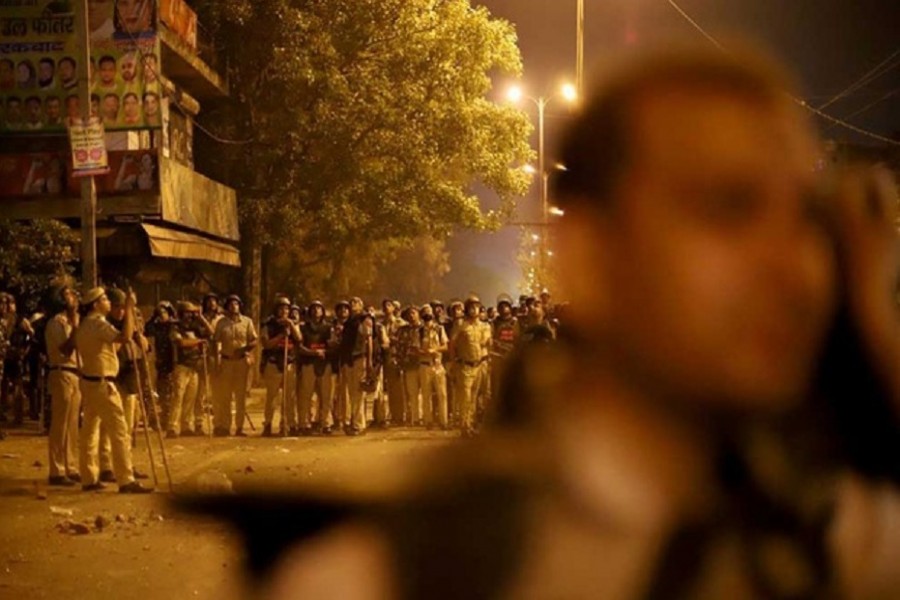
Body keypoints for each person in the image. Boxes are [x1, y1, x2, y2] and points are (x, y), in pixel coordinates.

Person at [75, 287, 151, 493]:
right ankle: (126, 479)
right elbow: (125, 337)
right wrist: (129, 306)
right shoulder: (99, 324)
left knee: (90, 432)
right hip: (102, 383)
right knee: (119, 431)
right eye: (105, 299)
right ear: (96, 304)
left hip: (89, 382)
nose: (108, 302)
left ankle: (89, 478)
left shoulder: (84, 326)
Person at [45, 286, 81, 486]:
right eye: (69, 294)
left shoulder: (70, 320)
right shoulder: (56, 322)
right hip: (61, 371)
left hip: (74, 373)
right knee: (60, 424)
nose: (74, 297)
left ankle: (71, 466)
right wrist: (75, 328)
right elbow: (66, 350)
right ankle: (56, 470)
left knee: (73, 425)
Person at [212, 295, 257, 437]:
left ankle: (239, 427)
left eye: (236, 303)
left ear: (239, 305)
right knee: (225, 396)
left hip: (241, 362)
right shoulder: (221, 323)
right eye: (231, 303)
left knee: (241, 397)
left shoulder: (247, 322)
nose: (233, 306)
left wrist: (245, 350)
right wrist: (217, 361)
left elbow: (254, 340)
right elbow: (216, 341)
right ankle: (225, 426)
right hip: (226, 361)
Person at [167, 301, 213, 438]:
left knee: (190, 399)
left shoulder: (195, 327)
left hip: (195, 366)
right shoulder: (175, 327)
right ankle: (172, 426)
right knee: (178, 397)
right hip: (181, 365)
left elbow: (210, 332)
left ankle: (187, 425)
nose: (189, 315)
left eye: (191, 313)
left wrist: (201, 318)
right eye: (187, 312)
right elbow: (181, 342)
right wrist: (198, 342)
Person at [448, 295, 491, 438]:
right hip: (464, 366)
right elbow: (452, 344)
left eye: (476, 306)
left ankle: (470, 425)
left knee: (473, 397)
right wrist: (453, 363)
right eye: (471, 306)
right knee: (465, 397)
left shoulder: (485, 326)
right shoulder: (460, 324)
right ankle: (464, 426)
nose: (473, 309)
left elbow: (486, 343)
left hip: (478, 365)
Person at [260, 297, 302, 437]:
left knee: (289, 397)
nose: (284, 311)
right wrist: (281, 336)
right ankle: (267, 424)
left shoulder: (292, 323)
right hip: (273, 363)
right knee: (272, 397)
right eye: (281, 308)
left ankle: (287, 424)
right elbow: (266, 344)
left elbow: (299, 339)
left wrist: (290, 325)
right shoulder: (268, 324)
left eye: (286, 308)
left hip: (288, 363)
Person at [297, 301, 335, 435]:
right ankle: (304, 423)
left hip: (324, 364)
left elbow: (332, 346)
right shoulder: (304, 328)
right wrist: (313, 352)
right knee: (306, 395)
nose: (316, 311)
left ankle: (325, 423)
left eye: (319, 308)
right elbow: (299, 346)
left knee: (326, 396)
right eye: (313, 308)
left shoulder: (328, 328)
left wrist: (325, 351)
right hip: (308, 363)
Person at [338, 297, 373, 436]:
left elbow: (368, 341)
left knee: (358, 393)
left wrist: (369, 361)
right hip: (348, 360)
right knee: (349, 393)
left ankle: (358, 424)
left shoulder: (365, 320)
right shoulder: (348, 323)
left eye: (356, 303)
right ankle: (351, 422)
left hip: (359, 358)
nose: (353, 305)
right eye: (351, 302)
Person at [380, 299, 406, 427]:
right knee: (390, 389)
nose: (386, 308)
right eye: (384, 306)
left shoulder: (401, 324)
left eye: (388, 305)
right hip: (386, 358)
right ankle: (394, 415)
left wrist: (391, 340)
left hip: (398, 356)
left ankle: (401, 415)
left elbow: (405, 340)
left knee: (400, 389)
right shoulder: (381, 324)